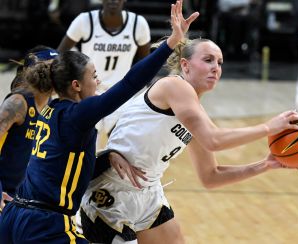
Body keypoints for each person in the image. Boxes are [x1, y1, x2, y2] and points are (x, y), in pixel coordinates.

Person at [0, 1, 199, 243]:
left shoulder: (50, 110)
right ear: (76, 86)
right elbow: (129, 83)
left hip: (14, 216)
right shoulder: (78, 114)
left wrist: (106, 156)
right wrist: (170, 43)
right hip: (45, 225)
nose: (99, 80)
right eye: (93, 76)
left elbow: (64, 168)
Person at [78, 37, 298, 243]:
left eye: (220, 62)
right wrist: (268, 127)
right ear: (185, 65)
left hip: (148, 195)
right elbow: (213, 140)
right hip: (110, 193)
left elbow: (211, 177)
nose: (216, 67)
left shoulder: (195, 114)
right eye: (208, 60)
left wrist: (265, 164)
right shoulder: (174, 85)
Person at [57, 0, 152, 149]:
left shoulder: (138, 24)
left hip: (119, 94)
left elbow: (146, 65)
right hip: (88, 93)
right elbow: (60, 56)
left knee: (124, 151)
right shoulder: (84, 21)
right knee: (83, 152)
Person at [0, 46, 59, 211]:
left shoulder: (52, 106)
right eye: (51, 69)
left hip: (25, 198)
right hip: (4, 192)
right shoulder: (18, 103)